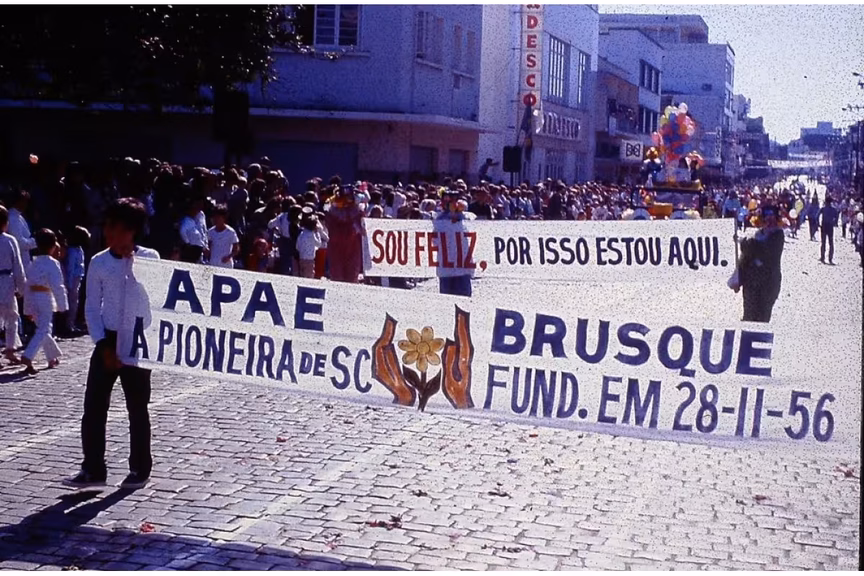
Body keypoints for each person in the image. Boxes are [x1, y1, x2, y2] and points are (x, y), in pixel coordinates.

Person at [64, 198, 159, 490]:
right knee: (94, 406)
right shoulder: (99, 262)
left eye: (115, 227)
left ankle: (140, 468)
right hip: (108, 338)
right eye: (107, 226)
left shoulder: (151, 259)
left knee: (137, 408)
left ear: (131, 230)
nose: (108, 233)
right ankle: (93, 468)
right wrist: (103, 345)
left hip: (138, 342)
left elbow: (156, 301)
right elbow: (92, 307)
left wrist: (134, 266)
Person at [21, 229, 68, 375]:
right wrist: (62, 305)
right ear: (53, 246)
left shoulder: (32, 263)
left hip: (32, 297)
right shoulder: (53, 264)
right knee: (43, 328)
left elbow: (27, 285)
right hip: (45, 297)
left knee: (44, 328)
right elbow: (57, 286)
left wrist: (27, 308)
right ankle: (28, 355)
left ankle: (52, 357)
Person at [737, 204, 785, 323]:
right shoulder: (757, 234)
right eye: (766, 215)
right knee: (748, 317)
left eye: (772, 215)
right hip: (750, 283)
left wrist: (746, 243)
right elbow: (745, 256)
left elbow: (766, 251)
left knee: (762, 318)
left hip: (768, 284)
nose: (769, 219)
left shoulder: (778, 235)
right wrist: (738, 278)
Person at [0, 206, 26, 364]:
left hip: (6, 280)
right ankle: (10, 349)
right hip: (6, 283)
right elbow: (18, 266)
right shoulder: (10, 240)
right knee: (12, 317)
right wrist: (22, 288)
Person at [64, 226, 89, 334]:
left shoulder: (79, 250)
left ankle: (72, 323)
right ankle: (69, 325)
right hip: (73, 280)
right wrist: (69, 284)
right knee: (72, 302)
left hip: (77, 278)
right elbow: (70, 268)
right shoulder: (72, 251)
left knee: (75, 302)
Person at [207, 205, 240, 269]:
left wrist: (229, 257)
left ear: (224, 218)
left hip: (226, 265)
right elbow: (209, 246)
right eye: (214, 217)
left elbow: (236, 249)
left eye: (218, 217)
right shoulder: (210, 232)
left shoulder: (231, 232)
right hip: (213, 264)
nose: (215, 219)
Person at [8, 190, 36, 263]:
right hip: (18, 260)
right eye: (24, 201)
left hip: (25, 258)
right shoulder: (12, 218)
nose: (26, 204)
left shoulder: (19, 216)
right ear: (18, 201)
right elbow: (20, 243)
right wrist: (37, 241)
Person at [296, 212, 327, 279]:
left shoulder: (302, 233)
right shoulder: (312, 235)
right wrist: (317, 234)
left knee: (302, 274)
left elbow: (297, 246)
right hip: (309, 259)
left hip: (301, 258)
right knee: (309, 275)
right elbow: (318, 244)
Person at [178, 196, 208, 263]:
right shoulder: (186, 220)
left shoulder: (201, 215)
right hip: (191, 247)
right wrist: (187, 242)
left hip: (200, 246)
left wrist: (205, 245)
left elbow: (203, 230)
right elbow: (182, 231)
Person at [818, 196, 839, 265]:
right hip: (830, 226)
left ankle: (822, 257)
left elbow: (817, 215)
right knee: (831, 243)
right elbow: (837, 216)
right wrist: (835, 222)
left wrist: (818, 223)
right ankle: (830, 258)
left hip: (824, 226)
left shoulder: (823, 209)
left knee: (823, 242)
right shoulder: (834, 210)